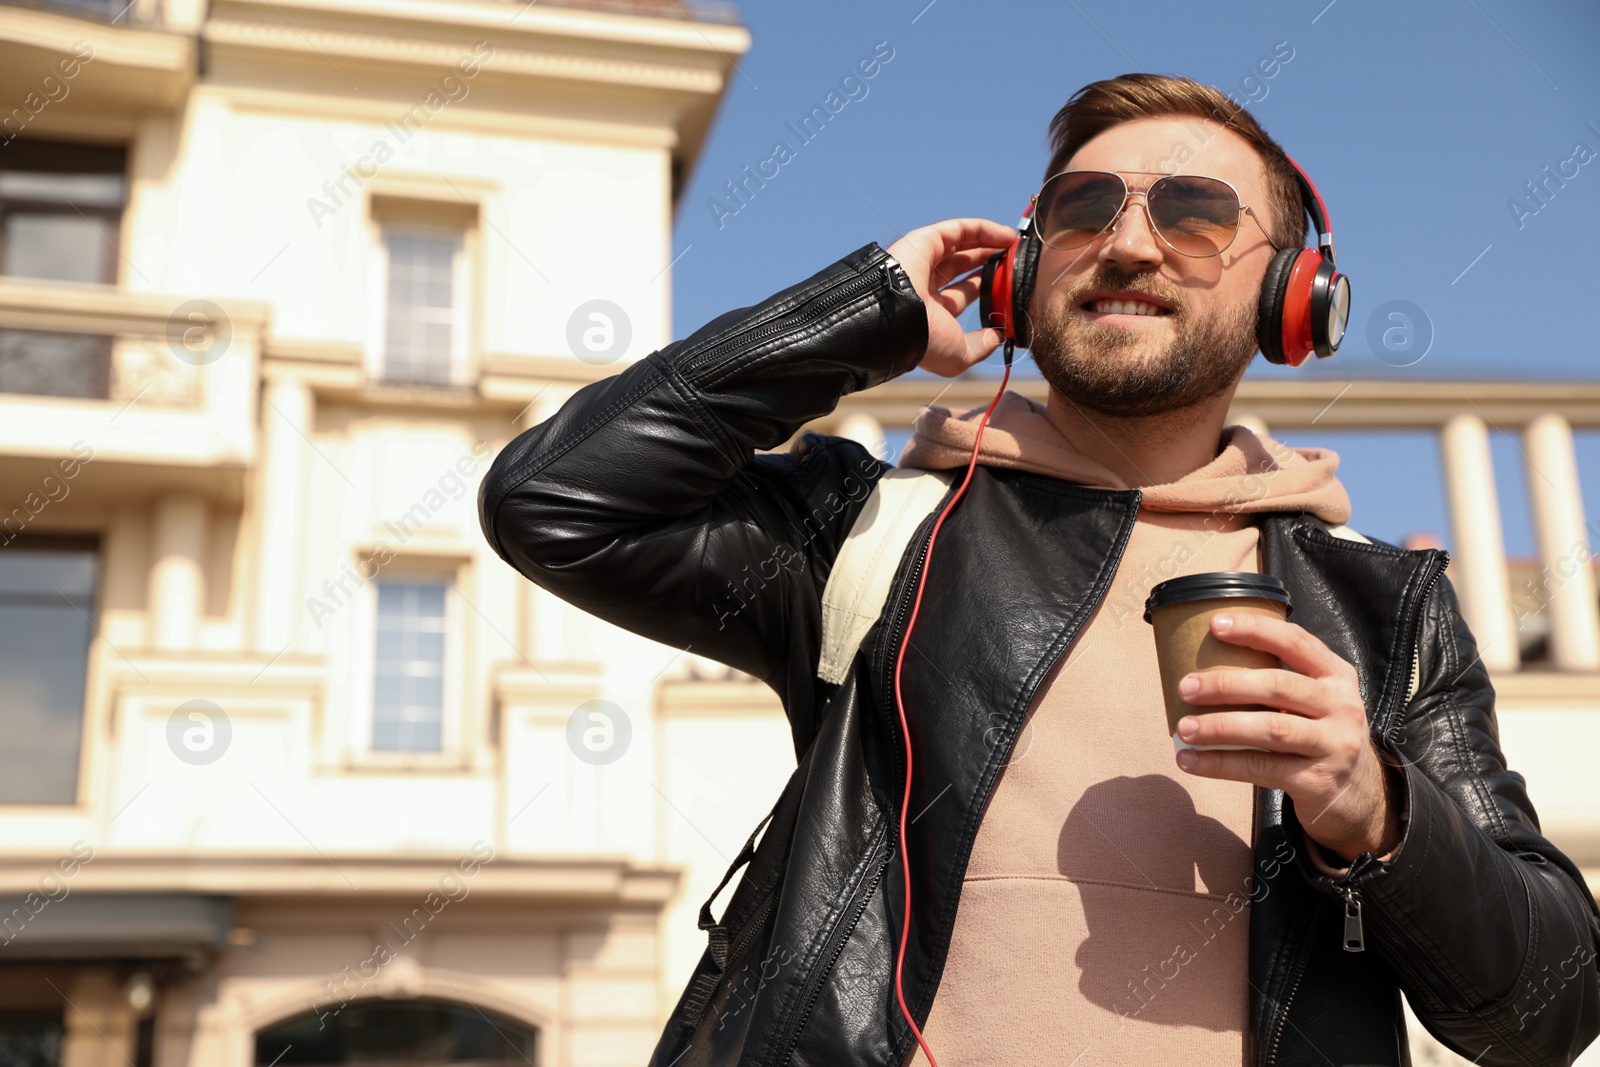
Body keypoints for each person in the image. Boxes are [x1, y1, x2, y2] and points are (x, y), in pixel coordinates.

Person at [478, 73, 1600, 1066]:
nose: (1126, 242)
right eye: (1082, 209)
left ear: (1291, 298)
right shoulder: (874, 527)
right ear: (1020, 272)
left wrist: (1375, 808)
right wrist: (860, 309)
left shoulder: (1384, 607)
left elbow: (1546, 1009)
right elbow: (553, 500)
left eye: (1195, 213)